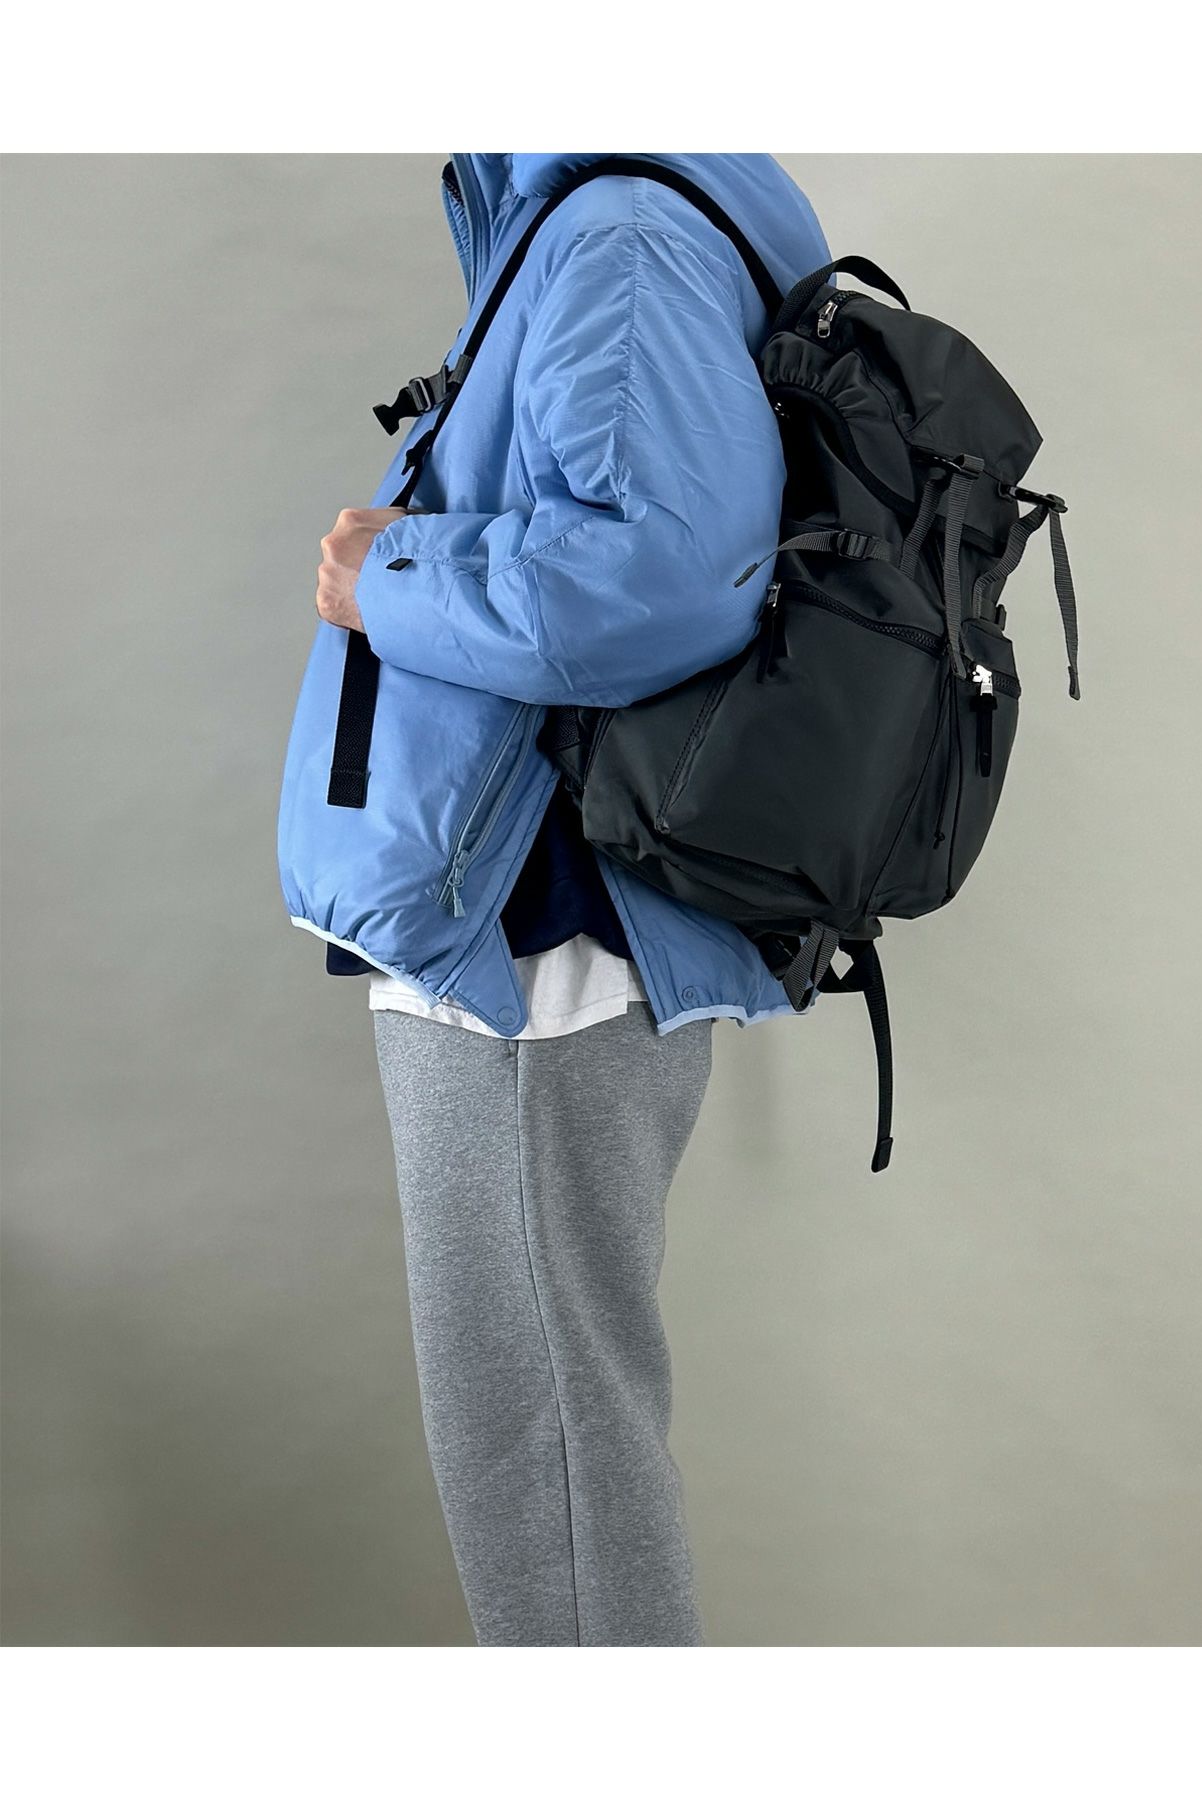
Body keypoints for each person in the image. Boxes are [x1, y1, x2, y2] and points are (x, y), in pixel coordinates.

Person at [308, 154, 829, 1646]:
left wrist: (384, 575)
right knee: (540, 1433)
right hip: (518, 906)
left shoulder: (623, 234)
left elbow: (651, 578)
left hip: (538, 931)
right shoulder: (586, 219)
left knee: (538, 1445)